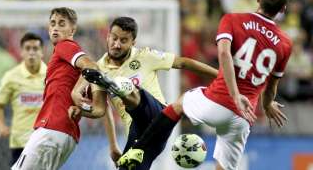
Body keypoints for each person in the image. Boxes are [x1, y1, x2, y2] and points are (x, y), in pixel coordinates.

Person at [116, 0, 292, 170]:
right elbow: (271, 86)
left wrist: (234, 94)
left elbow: (224, 54)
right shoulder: (285, 44)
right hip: (242, 116)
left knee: (179, 104)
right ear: (283, 9)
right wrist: (267, 105)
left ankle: (139, 149)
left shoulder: (233, 19)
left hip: (218, 100)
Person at [70, 16, 218, 170]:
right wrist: (81, 111)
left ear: (133, 43)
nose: (117, 44)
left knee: (128, 88)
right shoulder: (98, 68)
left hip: (160, 117)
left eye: (124, 40)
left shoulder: (145, 55)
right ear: (107, 37)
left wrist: (221, 76)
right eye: (114, 38)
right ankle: (118, 87)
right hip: (139, 137)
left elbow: (183, 63)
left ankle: (117, 86)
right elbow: (100, 109)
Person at [11, 7, 108, 170]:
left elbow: (91, 66)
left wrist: (76, 91)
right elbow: (99, 102)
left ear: (72, 29)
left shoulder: (65, 46)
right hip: (67, 136)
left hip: (52, 129)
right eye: (53, 23)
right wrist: (88, 107)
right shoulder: (71, 68)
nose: (55, 27)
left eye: (62, 24)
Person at [0, 33, 46, 165]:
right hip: (20, 141)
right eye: (27, 48)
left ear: (42, 52)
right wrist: (1, 125)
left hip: (44, 141)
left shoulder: (51, 75)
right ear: (21, 52)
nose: (31, 53)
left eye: (35, 49)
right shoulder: (11, 76)